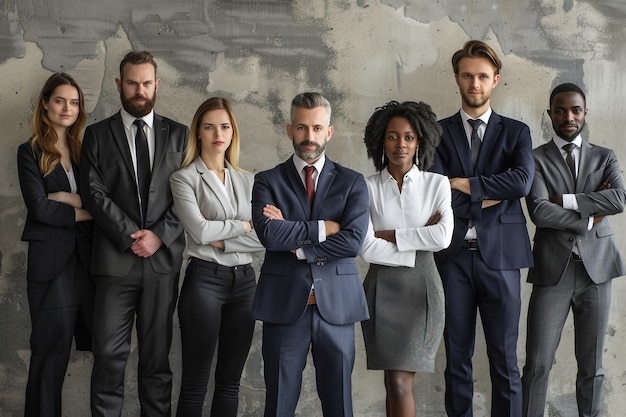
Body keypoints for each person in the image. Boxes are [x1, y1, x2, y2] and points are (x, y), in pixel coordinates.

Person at [79, 51, 188, 417]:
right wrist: (130, 235)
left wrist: (158, 235)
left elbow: (191, 196)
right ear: (118, 85)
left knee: (156, 362)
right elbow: (94, 194)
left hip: (162, 264)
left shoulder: (180, 135)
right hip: (114, 262)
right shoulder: (95, 135)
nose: (139, 91)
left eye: (146, 83)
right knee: (108, 356)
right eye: (131, 83)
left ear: (157, 85)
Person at [430, 40, 535, 417]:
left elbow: (521, 183)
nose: (475, 83)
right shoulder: (437, 134)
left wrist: (466, 184)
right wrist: (493, 189)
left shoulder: (517, 132)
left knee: (505, 362)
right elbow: (435, 193)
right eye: (468, 76)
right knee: (456, 360)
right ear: (457, 78)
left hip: (502, 257)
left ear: (495, 80)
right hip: (452, 257)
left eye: (483, 77)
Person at [251, 92, 370, 417]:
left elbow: (352, 242)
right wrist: (326, 228)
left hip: (338, 307)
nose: (309, 136)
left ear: (328, 131)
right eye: (302, 128)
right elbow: (269, 235)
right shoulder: (267, 181)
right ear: (290, 130)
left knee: (340, 407)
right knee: (278, 407)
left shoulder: (352, 183)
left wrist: (297, 241)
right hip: (285, 307)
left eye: (317, 128)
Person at [522, 83, 625, 417]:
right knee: (537, 365)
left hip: (597, 269)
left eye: (575, 110)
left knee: (592, 368)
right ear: (550, 113)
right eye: (561, 110)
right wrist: (591, 216)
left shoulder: (605, 156)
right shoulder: (534, 159)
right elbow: (539, 210)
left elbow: (619, 199)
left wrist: (565, 201)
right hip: (553, 271)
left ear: (585, 112)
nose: (568, 117)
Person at [169, 97, 264, 417]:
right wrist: (242, 226)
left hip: (245, 285)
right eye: (209, 126)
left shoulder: (249, 180)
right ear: (198, 132)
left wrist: (224, 239)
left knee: (230, 383)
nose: (217, 133)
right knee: (195, 383)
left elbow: (263, 237)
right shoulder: (184, 178)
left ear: (233, 132)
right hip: (204, 281)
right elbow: (198, 232)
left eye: (224, 126)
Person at [358, 100, 453, 417]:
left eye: (409, 137)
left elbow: (442, 238)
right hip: (380, 290)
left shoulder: (436, 183)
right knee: (392, 384)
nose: (401, 144)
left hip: (422, 291)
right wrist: (416, 235)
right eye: (393, 136)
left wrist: (391, 235)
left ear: (420, 141)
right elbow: (367, 248)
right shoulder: (366, 187)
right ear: (381, 141)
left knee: (400, 384)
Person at [17, 72, 93, 417]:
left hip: (90, 264)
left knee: (91, 351)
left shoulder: (86, 150)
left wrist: (65, 197)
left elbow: (104, 202)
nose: (67, 108)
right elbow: (39, 207)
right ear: (45, 103)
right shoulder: (29, 152)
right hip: (51, 266)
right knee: (50, 354)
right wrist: (85, 207)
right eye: (60, 100)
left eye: (74, 102)